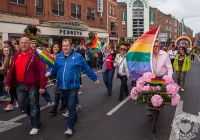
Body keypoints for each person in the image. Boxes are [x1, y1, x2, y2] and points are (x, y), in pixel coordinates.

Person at [45, 38, 99, 136]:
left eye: (67, 45)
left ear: (71, 46)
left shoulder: (77, 57)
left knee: (71, 105)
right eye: (64, 46)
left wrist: (94, 78)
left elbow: (86, 68)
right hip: (62, 85)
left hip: (74, 85)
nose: (65, 47)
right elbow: (52, 67)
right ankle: (74, 116)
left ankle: (70, 128)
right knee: (67, 104)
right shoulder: (58, 57)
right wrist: (48, 72)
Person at [5, 37, 47, 134]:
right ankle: (32, 116)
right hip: (20, 84)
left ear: (29, 44)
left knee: (34, 105)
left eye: (25, 43)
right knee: (21, 105)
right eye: (22, 43)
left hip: (33, 85)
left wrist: (42, 86)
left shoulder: (35, 55)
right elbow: (11, 70)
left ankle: (36, 125)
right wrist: (8, 83)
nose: (23, 44)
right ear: (19, 44)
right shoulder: (16, 55)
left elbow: (42, 71)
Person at [147, 40, 173, 116]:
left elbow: (169, 67)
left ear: (159, 46)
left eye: (157, 46)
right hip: (152, 77)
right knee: (150, 92)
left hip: (162, 76)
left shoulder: (165, 55)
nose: (155, 48)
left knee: (160, 91)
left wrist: (169, 77)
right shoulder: (148, 55)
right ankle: (149, 109)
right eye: (154, 46)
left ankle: (160, 103)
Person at [30, 39, 52, 106]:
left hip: (39, 73)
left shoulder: (39, 52)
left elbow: (48, 61)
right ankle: (32, 103)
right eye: (32, 43)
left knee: (42, 89)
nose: (33, 45)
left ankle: (48, 100)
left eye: (34, 43)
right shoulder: (27, 52)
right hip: (31, 75)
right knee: (31, 91)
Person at [48, 42, 66, 115]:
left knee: (57, 92)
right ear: (52, 48)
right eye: (54, 47)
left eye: (57, 47)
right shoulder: (49, 56)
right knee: (59, 91)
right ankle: (63, 103)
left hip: (60, 76)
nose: (56, 48)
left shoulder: (61, 56)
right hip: (53, 76)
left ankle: (55, 107)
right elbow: (48, 66)